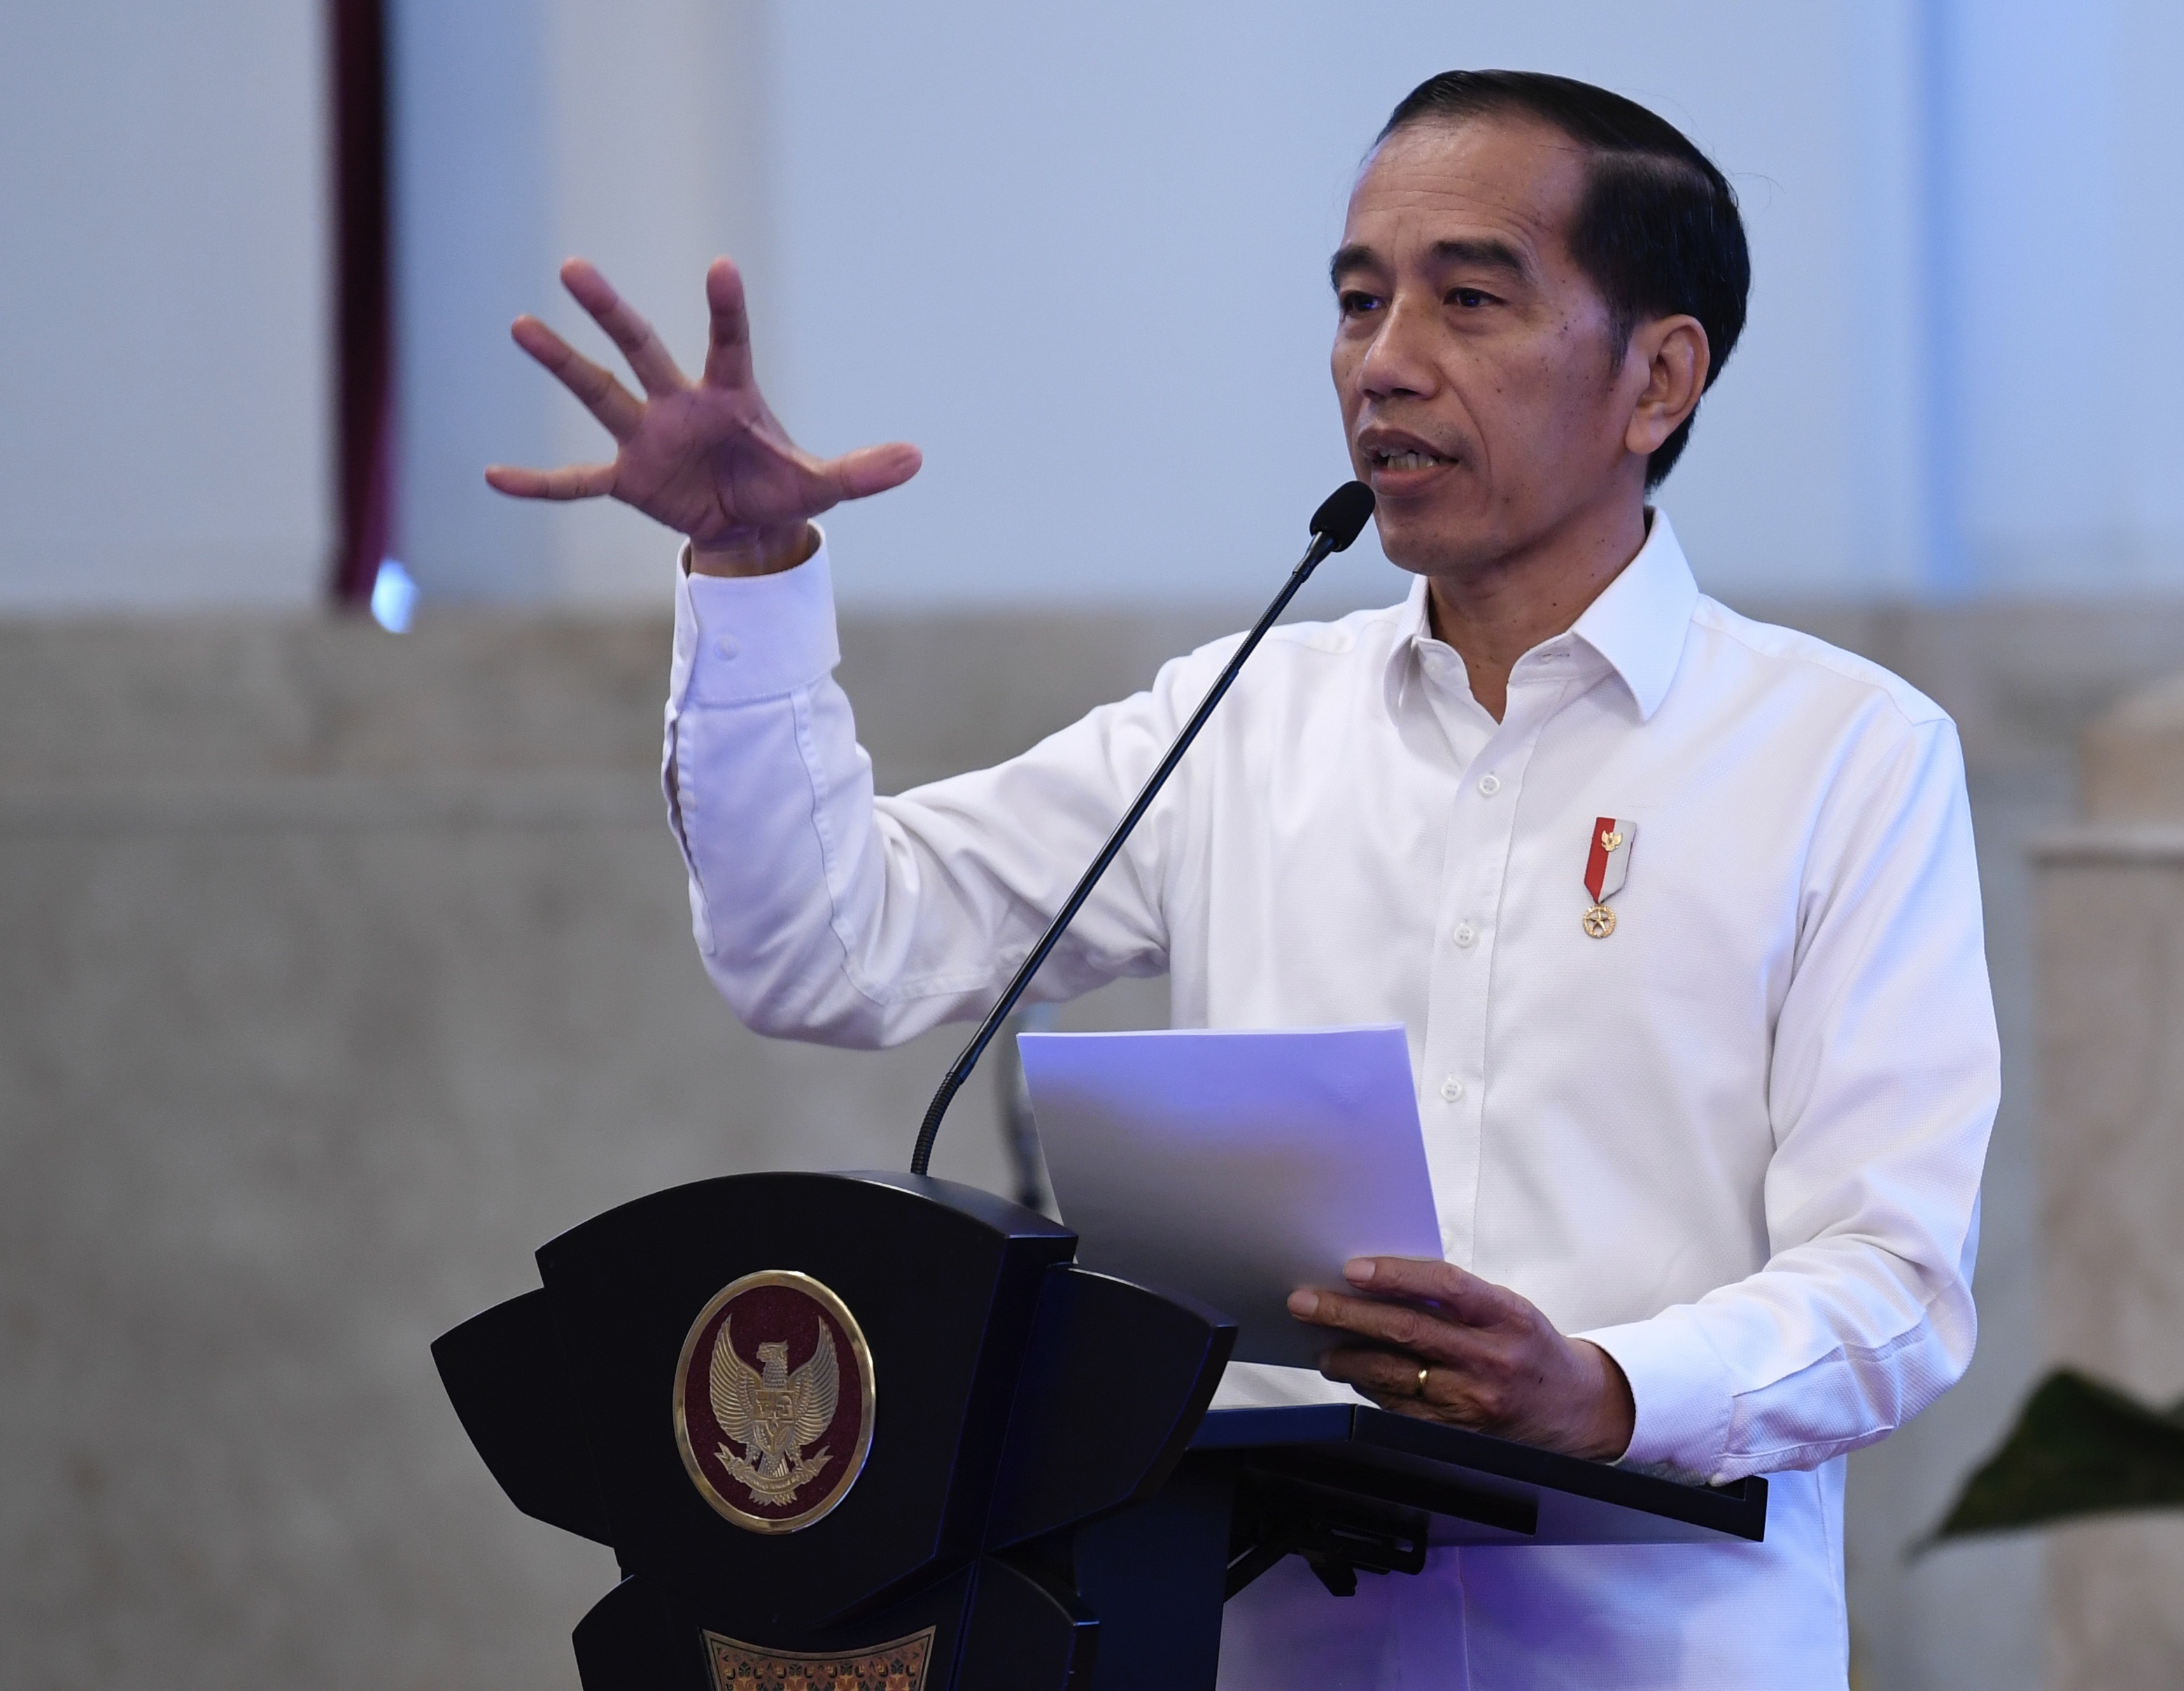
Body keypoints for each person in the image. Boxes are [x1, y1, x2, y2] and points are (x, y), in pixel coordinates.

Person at [488, 69, 1996, 1691]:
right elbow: (825, 948)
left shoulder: (1840, 753)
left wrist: (1606, 1388)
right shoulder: (1240, 721)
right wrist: (749, 577)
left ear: (1658, 378)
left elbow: (1894, 1284)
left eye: (1468, 299)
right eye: (1356, 302)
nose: (1383, 361)